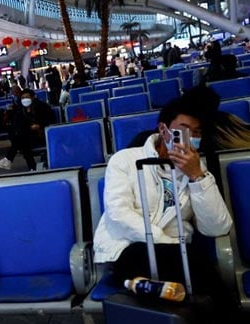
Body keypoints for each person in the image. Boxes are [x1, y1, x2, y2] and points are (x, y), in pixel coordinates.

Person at [93, 95, 233, 298]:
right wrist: (166, 243)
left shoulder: (197, 169)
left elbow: (217, 226)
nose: (189, 137)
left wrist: (197, 177)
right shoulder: (124, 160)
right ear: (163, 129)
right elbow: (119, 213)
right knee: (197, 271)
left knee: (186, 276)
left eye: (196, 132)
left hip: (177, 253)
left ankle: (150, 288)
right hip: (129, 247)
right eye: (183, 129)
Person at [0, 88, 56, 171]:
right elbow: (18, 125)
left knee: (21, 140)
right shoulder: (20, 110)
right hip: (28, 136)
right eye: (23, 98)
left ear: (33, 97)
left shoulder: (42, 107)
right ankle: (30, 167)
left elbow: (51, 120)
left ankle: (10, 160)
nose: (24, 100)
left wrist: (39, 125)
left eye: (27, 97)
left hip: (42, 134)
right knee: (22, 141)